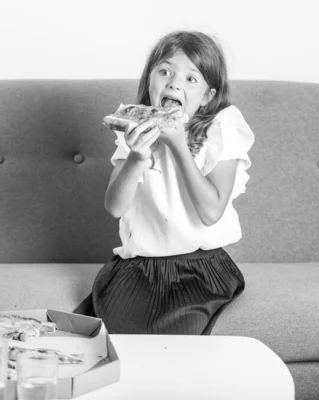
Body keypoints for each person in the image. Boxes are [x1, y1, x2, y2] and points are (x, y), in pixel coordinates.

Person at [75, 30, 254, 335]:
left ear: (207, 96)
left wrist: (178, 145)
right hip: (139, 268)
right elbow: (115, 207)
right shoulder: (135, 131)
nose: (174, 83)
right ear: (150, 81)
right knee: (106, 335)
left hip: (199, 269)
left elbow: (211, 212)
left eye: (190, 79)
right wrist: (137, 156)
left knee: (173, 340)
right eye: (165, 71)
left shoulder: (219, 130)